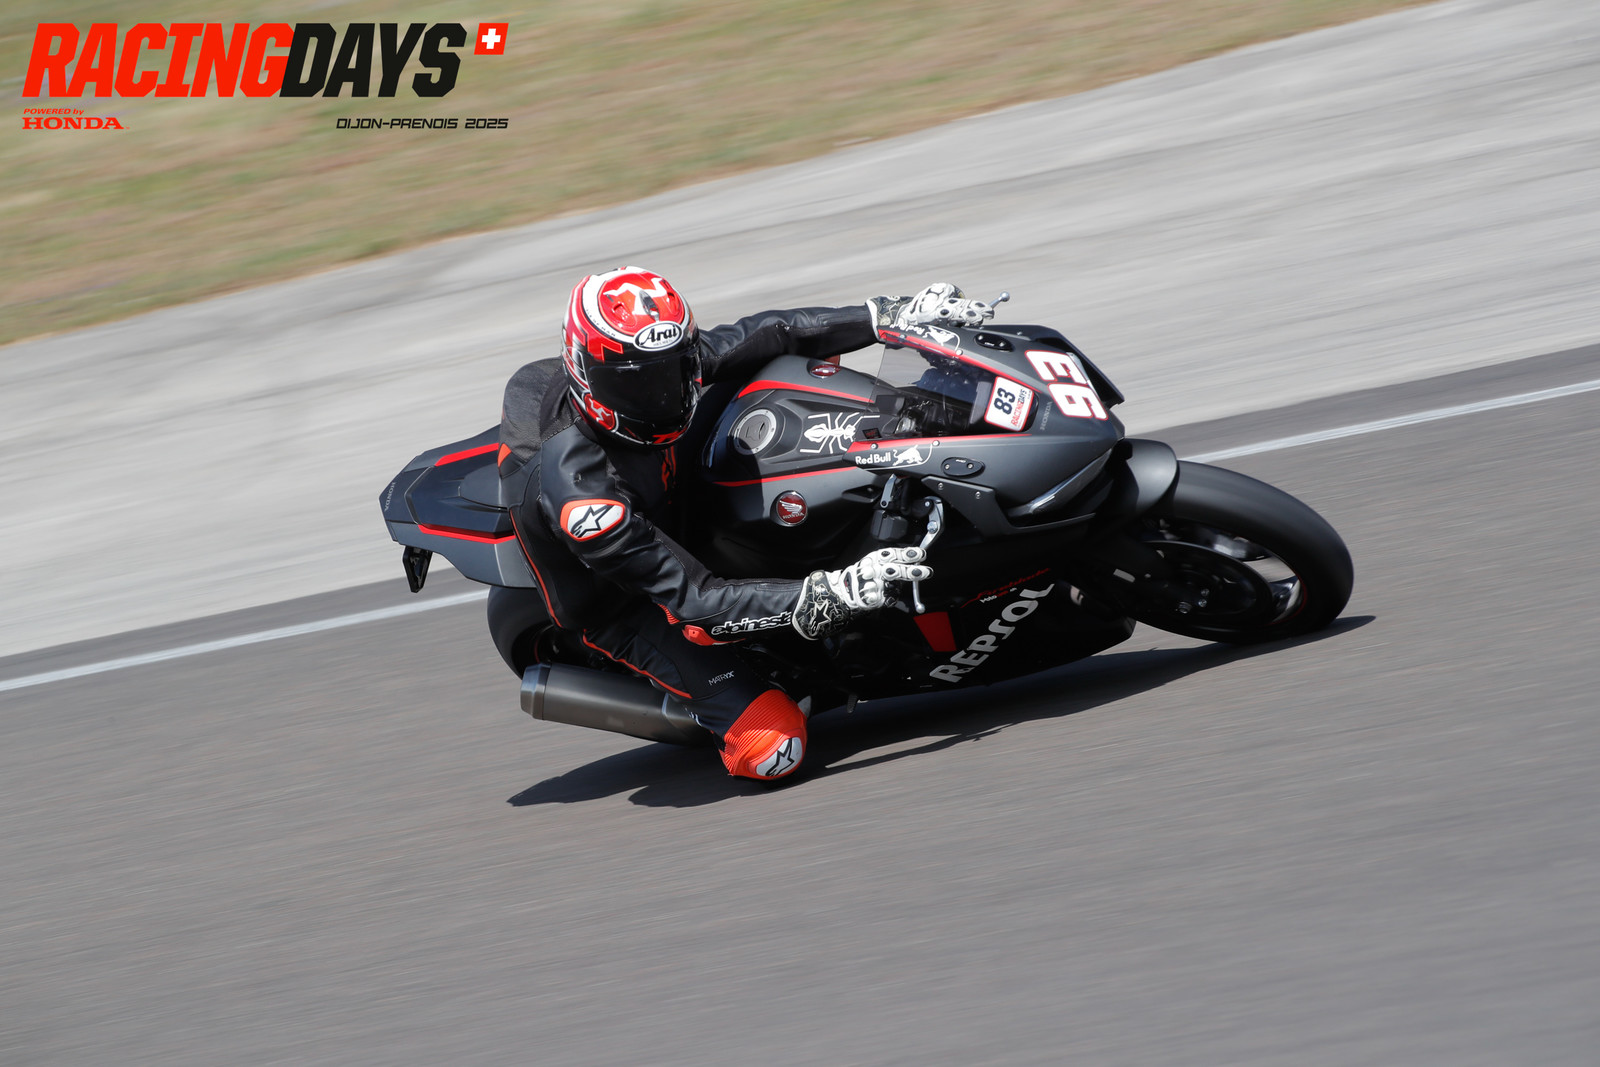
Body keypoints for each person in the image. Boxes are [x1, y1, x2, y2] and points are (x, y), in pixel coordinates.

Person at [493, 267, 994, 781]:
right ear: (584, 373)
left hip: (666, 487)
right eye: (636, 381)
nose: (661, 393)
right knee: (775, 749)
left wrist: (886, 316)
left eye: (673, 369)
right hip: (624, 600)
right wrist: (828, 594)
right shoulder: (585, 499)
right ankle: (728, 701)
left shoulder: (661, 365)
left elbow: (772, 332)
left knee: (790, 366)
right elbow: (695, 601)